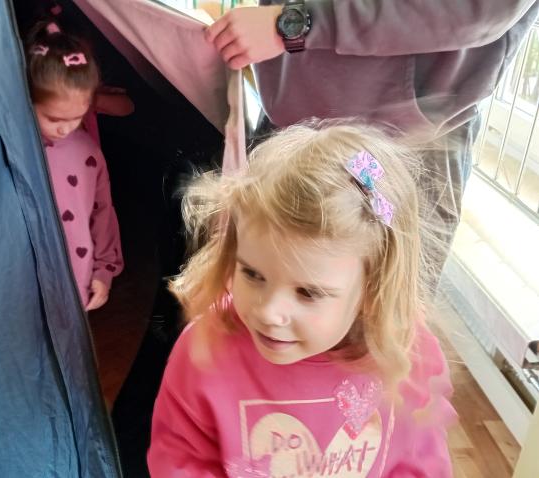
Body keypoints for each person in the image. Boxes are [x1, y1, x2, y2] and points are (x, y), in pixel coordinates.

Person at [148, 122, 456, 476]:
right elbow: (180, 457)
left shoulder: (409, 356)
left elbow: (421, 461)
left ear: (373, 290)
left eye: (308, 293)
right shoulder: (205, 350)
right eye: (253, 274)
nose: (269, 311)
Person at [205, 0, 539, 282]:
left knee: (382, 316)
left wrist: (297, 24)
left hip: (403, 141)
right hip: (289, 115)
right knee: (255, 282)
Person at [26, 21, 124, 310]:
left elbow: (103, 212)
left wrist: (104, 270)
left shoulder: (88, 152)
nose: (65, 129)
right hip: (23, 282)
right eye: (54, 119)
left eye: (77, 117)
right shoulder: (18, 147)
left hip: (74, 278)